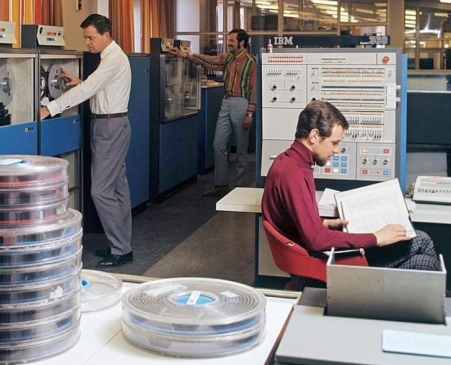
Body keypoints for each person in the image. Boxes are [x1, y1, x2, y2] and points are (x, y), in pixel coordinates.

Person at [262, 100, 439, 290]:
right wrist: (376, 237)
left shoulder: (289, 163)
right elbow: (316, 241)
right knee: (425, 259)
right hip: (315, 270)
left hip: (313, 259)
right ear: (314, 136)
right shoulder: (292, 174)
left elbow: (297, 222)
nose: (337, 150)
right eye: (334, 142)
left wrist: (322, 223)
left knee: (422, 240)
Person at [41, 14, 132, 268]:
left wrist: (51, 107)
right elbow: (99, 87)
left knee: (100, 191)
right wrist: (81, 82)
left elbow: (89, 89)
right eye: (85, 38)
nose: (88, 43)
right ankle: (121, 245)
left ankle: (122, 249)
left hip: (110, 126)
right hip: (112, 124)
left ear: (106, 34)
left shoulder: (113, 59)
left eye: (91, 38)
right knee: (117, 188)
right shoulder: (112, 58)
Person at [171, 29, 257, 197]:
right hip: (226, 102)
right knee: (218, 145)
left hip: (242, 103)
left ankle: (240, 188)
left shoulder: (251, 62)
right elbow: (210, 60)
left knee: (241, 149)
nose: (229, 43)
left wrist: (250, 113)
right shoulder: (228, 58)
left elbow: (254, 90)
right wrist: (186, 55)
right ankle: (221, 185)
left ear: (242, 43)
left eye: (232, 40)